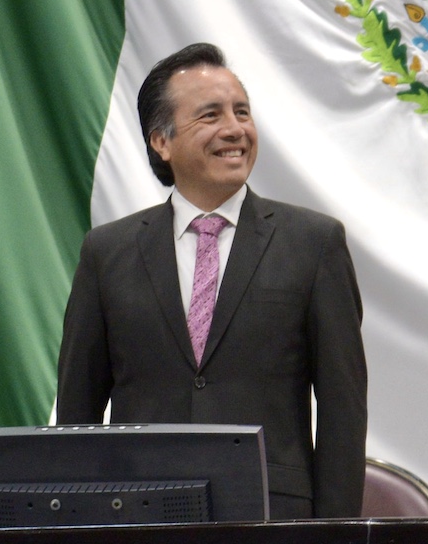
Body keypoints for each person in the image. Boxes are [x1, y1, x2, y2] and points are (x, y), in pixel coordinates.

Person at [57, 43, 367, 519]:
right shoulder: (107, 252)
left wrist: (334, 531)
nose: (235, 129)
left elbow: (343, 408)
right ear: (161, 141)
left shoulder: (314, 243)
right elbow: (77, 412)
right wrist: (77, 522)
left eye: (242, 112)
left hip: (273, 516)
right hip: (136, 514)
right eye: (210, 115)